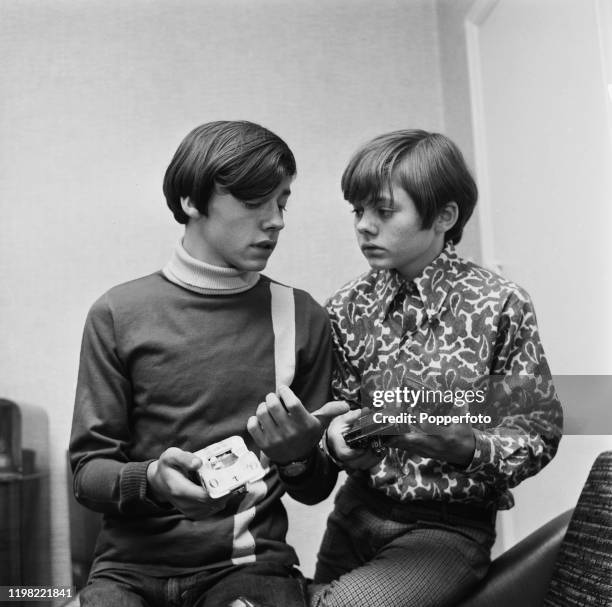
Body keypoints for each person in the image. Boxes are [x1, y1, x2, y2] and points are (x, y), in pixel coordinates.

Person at [69, 120, 346, 607]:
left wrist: (299, 455)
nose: (276, 220)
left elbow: (314, 488)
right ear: (191, 202)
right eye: (254, 201)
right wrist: (151, 479)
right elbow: (88, 473)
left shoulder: (301, 315)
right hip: (127, 572)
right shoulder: (117, 312)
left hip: (248, 567)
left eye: (282, 201)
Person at [309, 130, 563, 607]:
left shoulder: (499, 304)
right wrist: (337, 441)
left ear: (445, 216)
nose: (363, 226)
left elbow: (537, 432)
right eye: (357, 211)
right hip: (355, 513)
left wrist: (467, 446)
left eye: (383, 211)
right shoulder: (344, 307)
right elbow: (336, 417)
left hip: (448, 528)